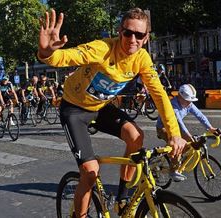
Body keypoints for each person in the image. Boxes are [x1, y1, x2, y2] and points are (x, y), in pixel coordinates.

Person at [38, 8, 186, 218]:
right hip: (74, 109)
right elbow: (70, 56)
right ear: (119, 32)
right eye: (128, 33)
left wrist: (174, 134)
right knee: (90, 174)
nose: (132, 39)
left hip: (101, 107)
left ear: (146, 38)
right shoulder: (102, 48)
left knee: (136, 137)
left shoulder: (142, 59)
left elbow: (160, 94)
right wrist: (47, 52)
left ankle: (123, 199)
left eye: (139, 35)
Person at [156, 84, 220, 181]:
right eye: (187, 100)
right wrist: (189, 137)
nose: (189, 103)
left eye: (191, 101)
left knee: (187, 145)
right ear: (180, 96)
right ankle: (173, 171)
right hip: (164, 128)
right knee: (178, 146)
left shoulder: (188, 103)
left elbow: (200, 115)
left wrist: (211, 128)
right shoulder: (173, 106)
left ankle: (175, 158)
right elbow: (180, 123)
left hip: (175, 128)